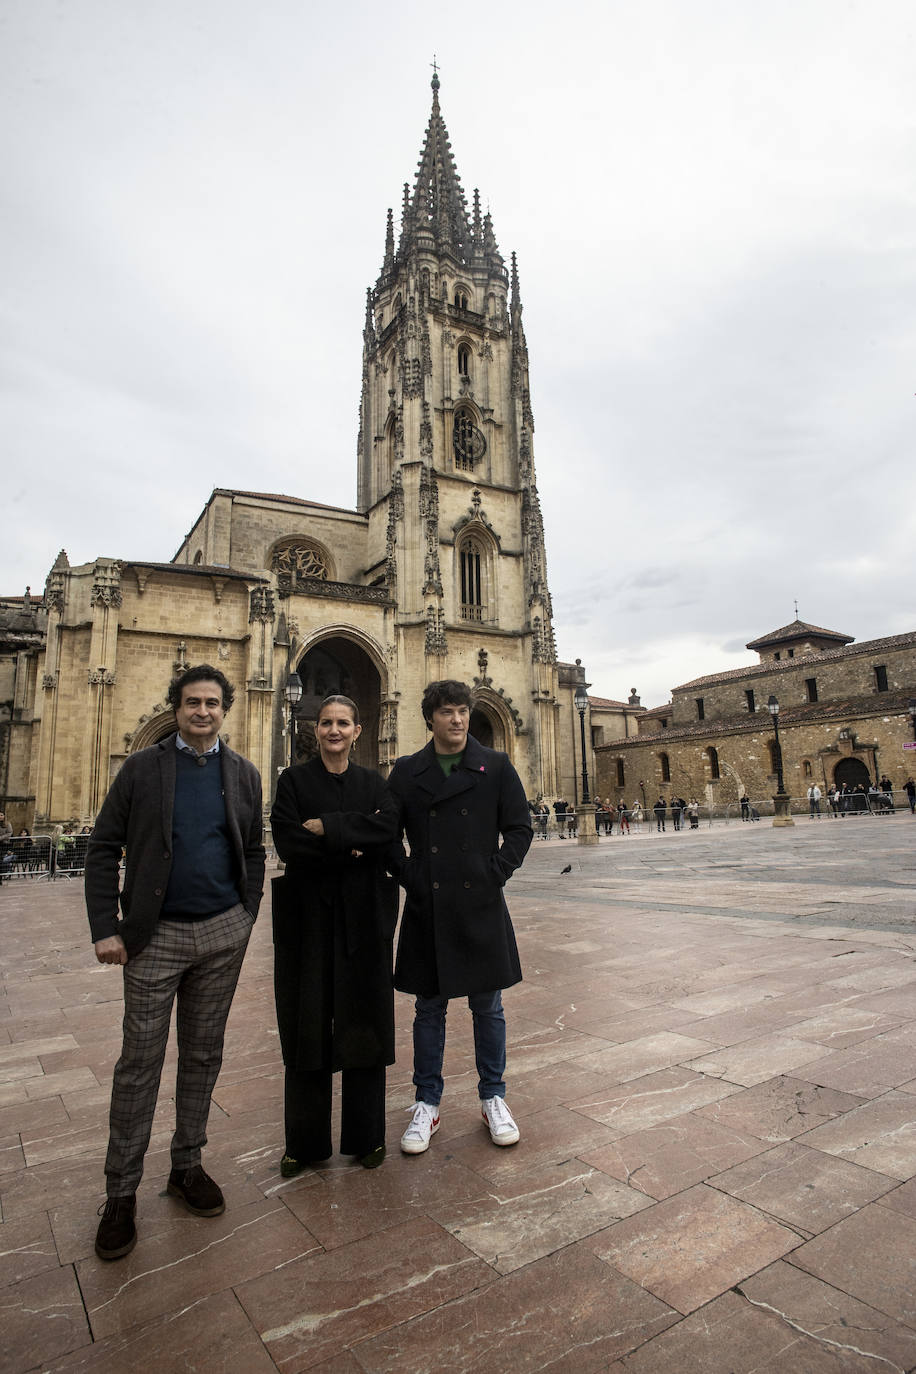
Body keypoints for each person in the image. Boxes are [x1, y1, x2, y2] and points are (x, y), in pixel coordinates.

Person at [85, 665, 265, 1262]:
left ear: (226, 709)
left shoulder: (242, 772)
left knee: (203, 1054)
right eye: (193, 702)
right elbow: (103, 846)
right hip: (153, 938)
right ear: (177, 707)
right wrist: (105, 929)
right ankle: (121, 1193)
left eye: (213, 703)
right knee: (138, 1063)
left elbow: (254, 849)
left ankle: (187, 1164)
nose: (203, 712)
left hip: (221, 934)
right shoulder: (142, 768)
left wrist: (246, 915)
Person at [388, 680, 532, 1154]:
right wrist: (412, 875)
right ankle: (427, 1103)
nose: (457, 719)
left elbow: (519, 828)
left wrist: (493, 873)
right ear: (430, 717)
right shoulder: (407, 772)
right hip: (430, 904)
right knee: (429, 1008)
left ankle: (494, 1096)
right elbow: (388, 835)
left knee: (487, 1007)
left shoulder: (496, 766)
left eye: (463, 711)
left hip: (480, 902)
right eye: (447, 711)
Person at [269, 695, 399, 1174]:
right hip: (309, 920)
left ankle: (367, 1139)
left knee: (365, 1021)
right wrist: (353, 845)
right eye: (326, 723)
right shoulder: (293, 781)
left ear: (358, 730)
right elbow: (288, 841)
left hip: (364, 920)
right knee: (308, 1025)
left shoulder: (373, 782)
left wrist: (327, 827)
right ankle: (303, 1144)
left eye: (343, 723)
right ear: (315, 728)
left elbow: (388, 832)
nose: (334, 731)